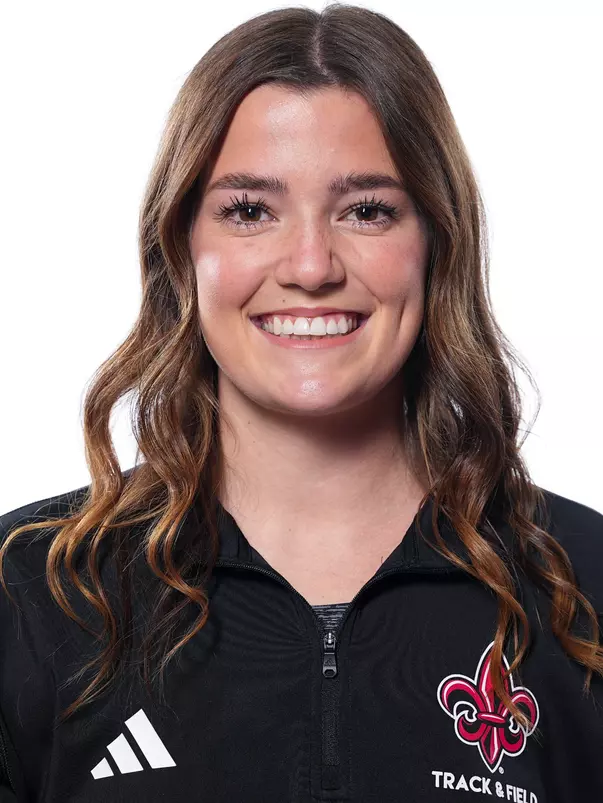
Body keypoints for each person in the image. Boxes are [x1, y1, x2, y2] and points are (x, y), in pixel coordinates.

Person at [0, 4, 601, 802]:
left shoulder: (581, 584)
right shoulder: (34, 590)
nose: (311, 265)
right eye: (249, 210)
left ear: (436, 243)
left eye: (366, 210)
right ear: (182, 248)